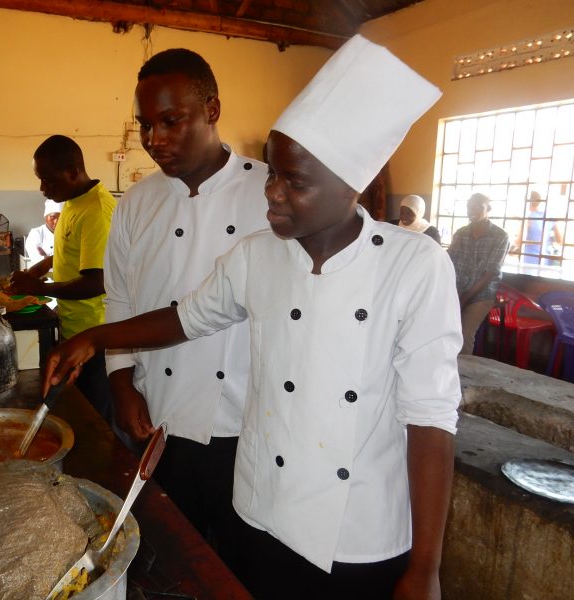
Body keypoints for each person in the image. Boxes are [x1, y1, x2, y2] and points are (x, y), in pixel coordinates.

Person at [43, 35, 462, 600]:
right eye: (272, 174)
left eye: (295, 182)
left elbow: (431, 419)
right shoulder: (258, 254)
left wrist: (426, 568)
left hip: (357, 528)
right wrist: (97, 340)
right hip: (262, 506)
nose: (273, 195)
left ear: (350, 186)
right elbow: (183, 319)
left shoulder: (416, 265)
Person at [103, 48, 269, 570]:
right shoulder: (135, 204)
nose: (154, 140)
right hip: (160, 416)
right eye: (145, 125)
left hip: (245, 426)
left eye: (170, 122)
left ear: (212, 109)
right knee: (173, 558)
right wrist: (121, 381)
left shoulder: (270, 193)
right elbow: (120, 299)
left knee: (240, 564)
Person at [9, 135, 116, 420]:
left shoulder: (96, 211)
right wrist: (40, 268)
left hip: (96, 334)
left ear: (72, 172)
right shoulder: (72, 200)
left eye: (49, 181)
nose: (43, 189)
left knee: (98, 416)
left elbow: (96, 282)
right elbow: (71, 249)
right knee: (77, 409)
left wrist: (40, 287)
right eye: (40, 180)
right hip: (75, 327)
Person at [447, 192, 510, 355]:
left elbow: (490, 273)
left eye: (478, 206)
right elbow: (448, 262)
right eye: (469, 206)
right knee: (441, 328)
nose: (472, 210)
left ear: (488, 209)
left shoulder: (500, 236)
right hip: (456, 290)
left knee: (464, 334)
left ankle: (464, 376)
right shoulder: (461, 234)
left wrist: (464, 298)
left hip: (481, 294)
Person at [520, 191, 562, 266]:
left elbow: (519, 242)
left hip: (529, 260)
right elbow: (560, 240)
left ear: (527, 201)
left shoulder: (528, 218)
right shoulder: (549, 216)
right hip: (545, 260)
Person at [25, 199, 60, 268]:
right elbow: (37, 258)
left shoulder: (68, 232)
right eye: (52, 217)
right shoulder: (36, 233)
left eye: (60, 218)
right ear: (45, 217)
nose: (56, 221)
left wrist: (48, 258)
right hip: (46, 277)